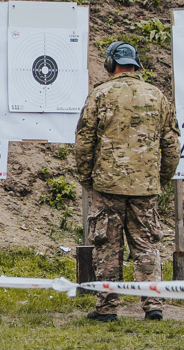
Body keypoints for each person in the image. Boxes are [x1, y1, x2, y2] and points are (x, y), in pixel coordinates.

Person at [73, 41, 178, 322]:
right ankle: (153, 305)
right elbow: (171, 145)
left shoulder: (100, 95)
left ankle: (107, 308)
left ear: (110, 64)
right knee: (146, 246)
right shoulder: (157, 96)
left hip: (107, 186)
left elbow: (84, 143)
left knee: (107, 246)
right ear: (136, 64)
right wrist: (160, 179)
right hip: (145, 187)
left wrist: (88, 179)